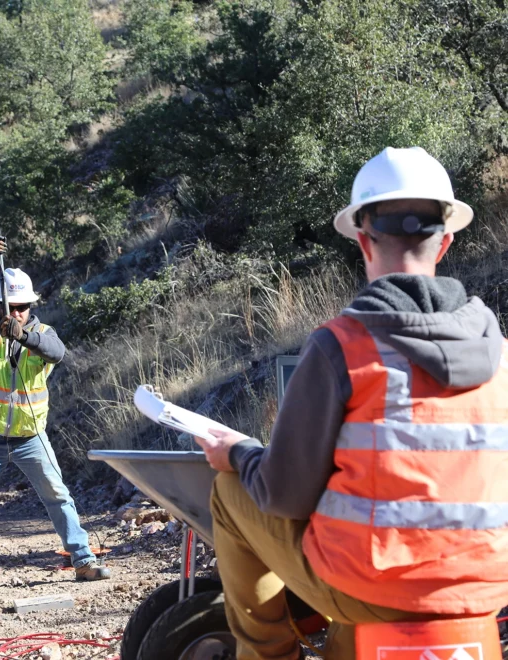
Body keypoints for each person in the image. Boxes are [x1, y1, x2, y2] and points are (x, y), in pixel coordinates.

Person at [194, 147, 508, 659]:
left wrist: (238, 453)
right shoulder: (500, 358)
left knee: (232, 494)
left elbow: (284, 494)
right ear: (446, 242)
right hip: (485, 592)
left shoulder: (343, 346)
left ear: (363, 240)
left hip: (373, 589)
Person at [0, 235, 110, 591]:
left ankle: (83, 560)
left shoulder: (44, 333)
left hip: (31, 437)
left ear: (31, 306)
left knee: (58, 495)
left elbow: (57, 352)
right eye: (10, 306)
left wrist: (24, 336)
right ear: (0, 305)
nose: (16, 312)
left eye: (22, 307)